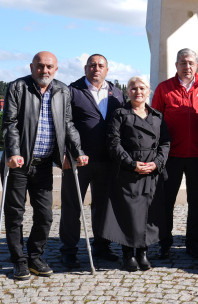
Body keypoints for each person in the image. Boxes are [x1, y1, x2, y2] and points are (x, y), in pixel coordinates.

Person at [1, 51, 88, 280]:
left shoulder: (62, 90)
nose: (45, 71)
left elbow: (68, 124)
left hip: (43, 165)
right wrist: (13, 152)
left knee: (44, 215)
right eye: (40, 66)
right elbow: (9, 124)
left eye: (49, 67)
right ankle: (19, 261)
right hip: (18, 163)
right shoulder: (17, 88)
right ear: (32, 67)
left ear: (56, 69)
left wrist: (77, 152)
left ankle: (34, 257)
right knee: (15, 214)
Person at [59, 54, 127, 268]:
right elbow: (63, 123)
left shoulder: (117, 93)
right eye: (92, 65)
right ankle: (69, 250)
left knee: (104, 206)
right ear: (85, 68)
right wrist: (64, 152)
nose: (96, 68)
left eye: (101, 66)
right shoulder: (72, 90)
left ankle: (101, 246)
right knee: (72, 207)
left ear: (107, 70)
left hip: (108, 161)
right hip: (78, 159)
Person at [151, 48, 198, 260]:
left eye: (190, 63)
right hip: (171, 155)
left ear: (196, 66)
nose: (187, 67)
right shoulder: (164, 88)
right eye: (182, 63)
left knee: (196, 203)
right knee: (166, 201)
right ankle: (164, 243)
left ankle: (192, 243)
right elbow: (154, 121)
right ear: (176, 65)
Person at [99, 76, 170, 272]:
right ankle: (128, 253)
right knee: (129, 213)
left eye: (142, 88)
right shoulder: (120, 115)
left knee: (149, 212)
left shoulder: (157, 116)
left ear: (149, 91)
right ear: (127, 91)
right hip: (128, 171)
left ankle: (143, 252)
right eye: (133, 88)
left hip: (151, 171)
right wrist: (132, 164)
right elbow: (113, 143)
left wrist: (156, 163)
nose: (138, 91)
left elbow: (165, 143)